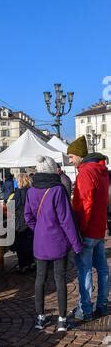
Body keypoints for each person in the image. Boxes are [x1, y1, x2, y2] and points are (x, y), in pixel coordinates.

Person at [24, 155, 82, 332]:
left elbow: (28, 217)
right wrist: (76, 244)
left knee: (40, 279)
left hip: (40, 242)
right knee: (60, 279)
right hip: (58, 241)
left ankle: (40, 317)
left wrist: (39, 229)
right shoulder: (58, 190)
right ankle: (62, 319)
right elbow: (66, 220)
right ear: (52, 169)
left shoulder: (31, 191)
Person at [67, 135, 109, 321]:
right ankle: (102, 304)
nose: (70, 160)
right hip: (100, 229)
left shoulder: (85, 172)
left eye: (71, 156)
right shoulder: (102, 171)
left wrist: (80, 230)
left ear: (79, 155)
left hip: (89, 229)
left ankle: (85, 309)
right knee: (102, 269)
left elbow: (85, 204)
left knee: (84, 270)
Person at [11, 173, 34, 273]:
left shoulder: (19, 192)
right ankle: (31, 263)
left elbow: (11, 206)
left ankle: (23, 265)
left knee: (21, 244)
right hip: (31, 220)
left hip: (20, 221)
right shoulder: (32, 191)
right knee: (30, 243)